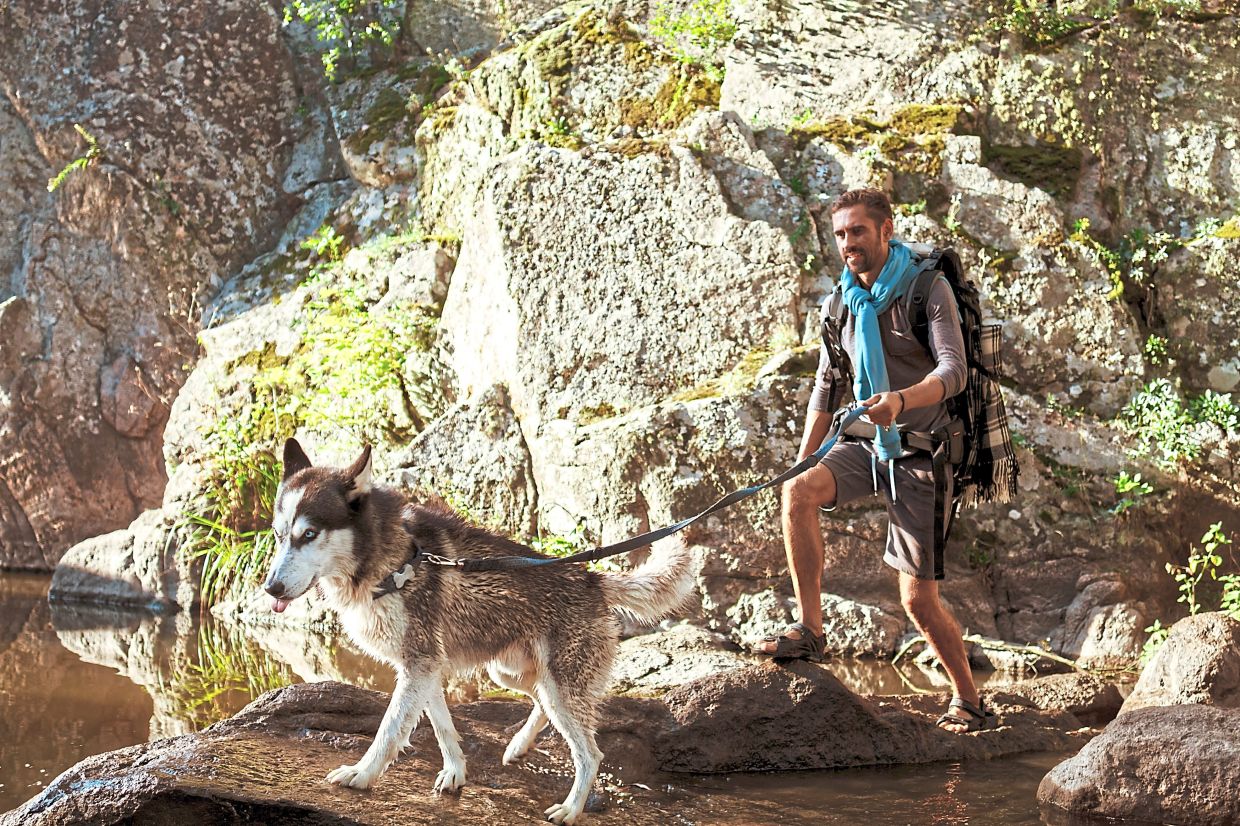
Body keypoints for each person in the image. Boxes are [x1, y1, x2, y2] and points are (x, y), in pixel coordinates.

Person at [753, 187, 998, 733]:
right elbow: (826, 387)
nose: (848, 244)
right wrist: (804, 458)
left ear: (887, 230)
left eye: (858, 231)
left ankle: (968, 698)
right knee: (797, 492)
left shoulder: (926, 288)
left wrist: (901, 402)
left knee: (917, 601)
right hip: (865, 443)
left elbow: (953, 371)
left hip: (922, 452)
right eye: (840, 234)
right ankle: (812, 631)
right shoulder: (840, 302)